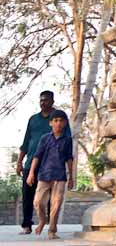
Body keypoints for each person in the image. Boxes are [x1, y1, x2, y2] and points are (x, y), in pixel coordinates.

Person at [16, 91, 64, 235]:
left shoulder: (58, 118)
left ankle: (50, 226)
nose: (43, 102)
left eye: (46, 100)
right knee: (27, 195)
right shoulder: (33, 119)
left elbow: (65, 140)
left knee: (50, 197)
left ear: (52, 101)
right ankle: (27, 225)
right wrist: (20, 162)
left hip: (50, 165)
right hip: (31, 163)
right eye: (41, 100)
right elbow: (26, 142)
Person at [25, 109, 75, 240]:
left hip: (60, 176)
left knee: (56, 204)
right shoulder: (45, 138)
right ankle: (42, 220)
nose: (58, 123)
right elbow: (37, 156)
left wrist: (71, 177)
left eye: (61, 121)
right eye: (55, 120)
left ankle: (52, 230)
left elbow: (69, 158)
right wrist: (31, 173)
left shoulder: (67, 140)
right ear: (51, 123)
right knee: (38, 202)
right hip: (44, 175)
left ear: (64, 123)